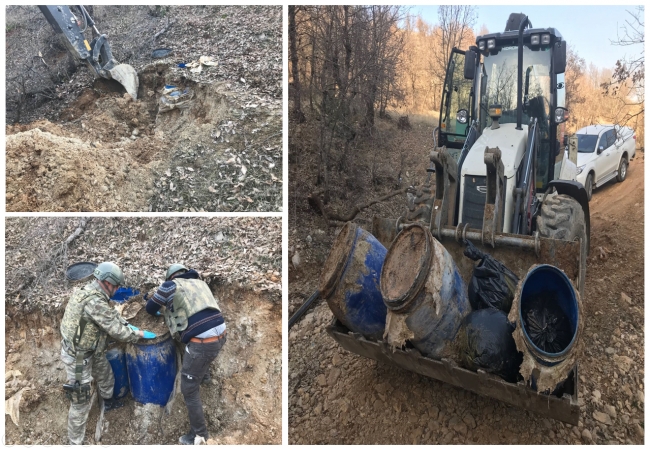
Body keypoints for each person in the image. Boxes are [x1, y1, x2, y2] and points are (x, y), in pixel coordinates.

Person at [60, 262, 156, 445]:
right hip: (77, 358)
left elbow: (110, 314)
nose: (118, 289)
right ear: (107, 282)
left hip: (90, 348)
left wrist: (127, 323)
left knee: (106, 376)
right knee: (80, 402)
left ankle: (109, 403)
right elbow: (116, 331)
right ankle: (75, 442)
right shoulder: (93, 301)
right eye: (117, 285)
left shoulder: (91, 291)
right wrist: (138, 334)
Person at [145, 263, 226, 445]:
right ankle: (204, 376)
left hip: (204, 343)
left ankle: (199, 435)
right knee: (201, 351)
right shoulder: (200, 283)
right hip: (221, 334)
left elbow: (150, 308)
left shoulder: (169, 286)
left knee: (189, 388)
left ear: (171, 277)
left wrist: (159, 304)